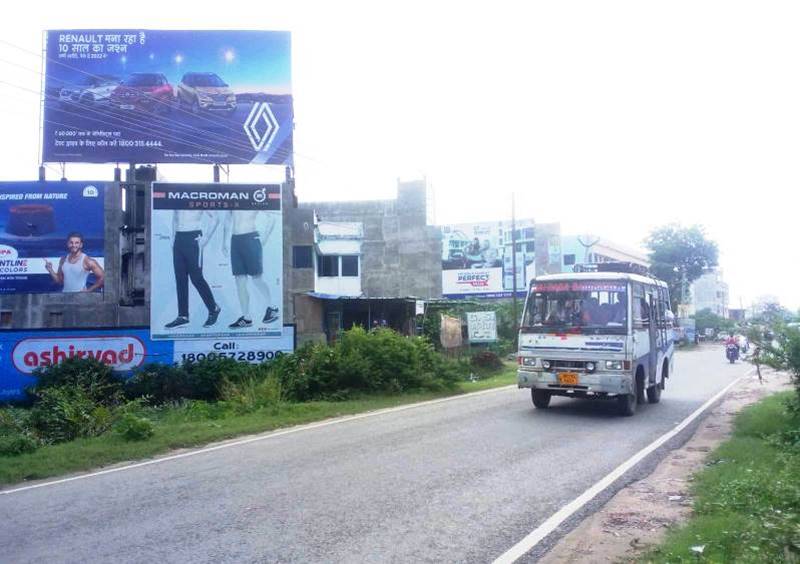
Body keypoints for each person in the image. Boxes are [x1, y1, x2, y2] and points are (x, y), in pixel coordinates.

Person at [164, 210, 221, 329]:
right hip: (179, 238)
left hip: (194, 237)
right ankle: (183, 316)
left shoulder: (198, 196)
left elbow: (215, 217)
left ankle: (213, 308)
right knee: (180, 278)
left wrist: (206, 238)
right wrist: (173, 237)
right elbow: (175, 216)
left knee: (196, 278)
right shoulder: (178, 196)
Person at [223, 210, 279, 328]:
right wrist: (224, 241)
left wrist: (264, 236)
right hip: (235, 240)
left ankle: (272, 308)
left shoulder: (252, 195)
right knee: (240, 281)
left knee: (257, 279)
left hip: (251, 238)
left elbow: (272, 217)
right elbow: (228, 219)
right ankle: (246, 317)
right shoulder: (232, 199)